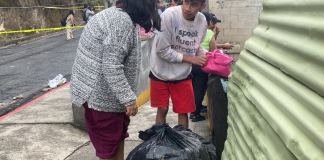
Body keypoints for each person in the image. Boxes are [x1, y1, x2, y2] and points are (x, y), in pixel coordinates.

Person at [71, 0, 161, 159]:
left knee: (117, 139)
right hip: (102, 99)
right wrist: (128, 99)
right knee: (109, 150)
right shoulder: (121, 21)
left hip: (105, 97)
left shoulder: (120, 16)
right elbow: (111, 66)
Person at [150, 0, 207, 129]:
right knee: (162, 109)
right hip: (160, 71)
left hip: (183, 74)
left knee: (183, 111)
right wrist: (191, 59)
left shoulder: (202, 21)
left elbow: (196, 45)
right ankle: (159, 141)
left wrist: (206, 55)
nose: (187, 8)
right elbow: (162, 50)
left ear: (202, 6)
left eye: (194, 4)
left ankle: (184, 144)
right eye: (186, 2)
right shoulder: (169, 15)